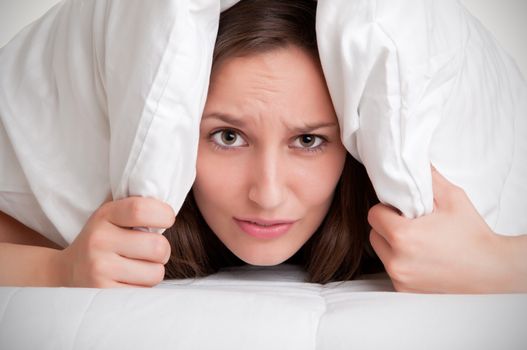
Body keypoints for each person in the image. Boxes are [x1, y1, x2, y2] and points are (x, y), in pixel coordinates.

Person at [0, 0, 525, 292]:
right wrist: (58, 269)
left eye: (309, 140)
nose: (267, 194)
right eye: (228, 137)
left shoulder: (388, 198)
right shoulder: (110, 185)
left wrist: (496, 262)